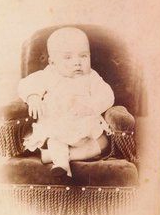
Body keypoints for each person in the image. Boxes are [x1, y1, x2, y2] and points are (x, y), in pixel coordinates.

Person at [17, 27, 114, 177]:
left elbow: (107, 95)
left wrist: (91, 107)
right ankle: (62, 166)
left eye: (83, 56)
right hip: (59, 124)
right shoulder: (49, 74)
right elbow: (26, 84)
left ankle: (59, 157)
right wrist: (33, 97)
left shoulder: (92, 77)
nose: (77, 63)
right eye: (68, 57)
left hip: (85, 126)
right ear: (52, 62)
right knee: (55, 140)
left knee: (103, 143)